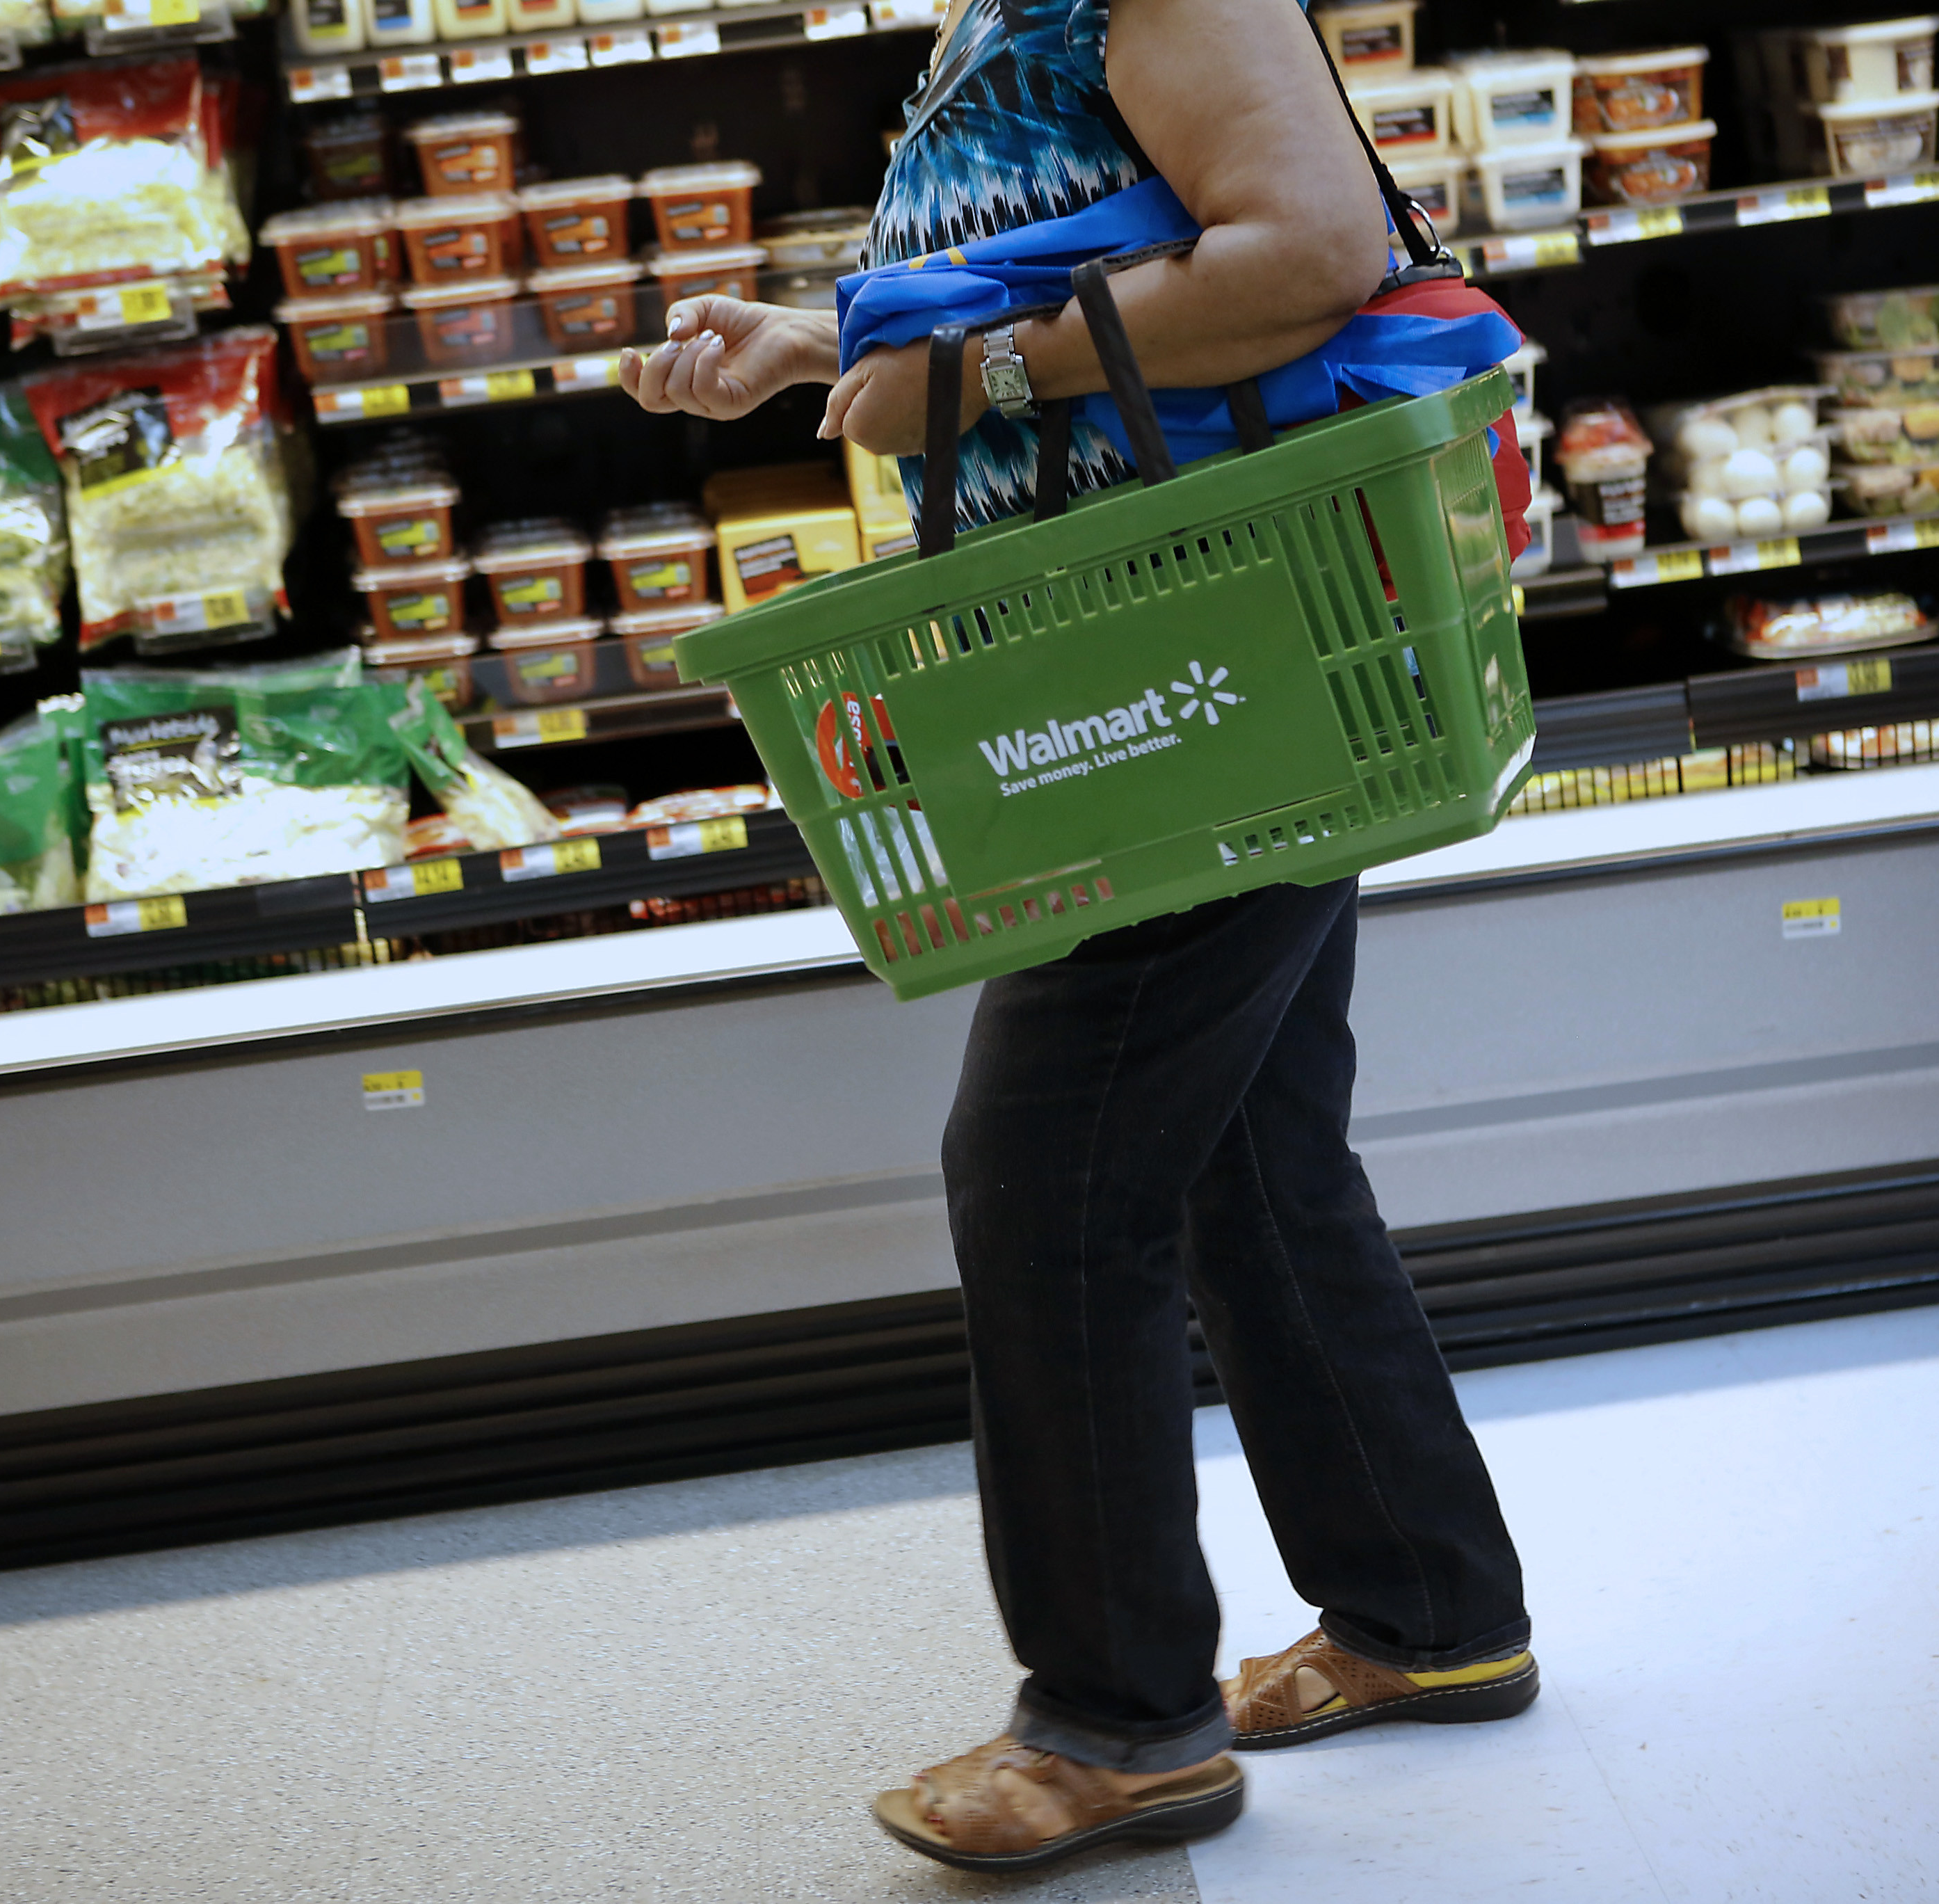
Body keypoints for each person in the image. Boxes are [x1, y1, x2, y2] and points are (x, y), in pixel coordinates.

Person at [622, 0, 1536, 1873]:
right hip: (1211, 638)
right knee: (1253, 1152)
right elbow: (1104, 230)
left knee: (1048, 1164)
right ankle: (1427, 1608)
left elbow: (1313, 249)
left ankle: (1120, 1720)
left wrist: (992, 379)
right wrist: (828, 340)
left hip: (1205, 658)